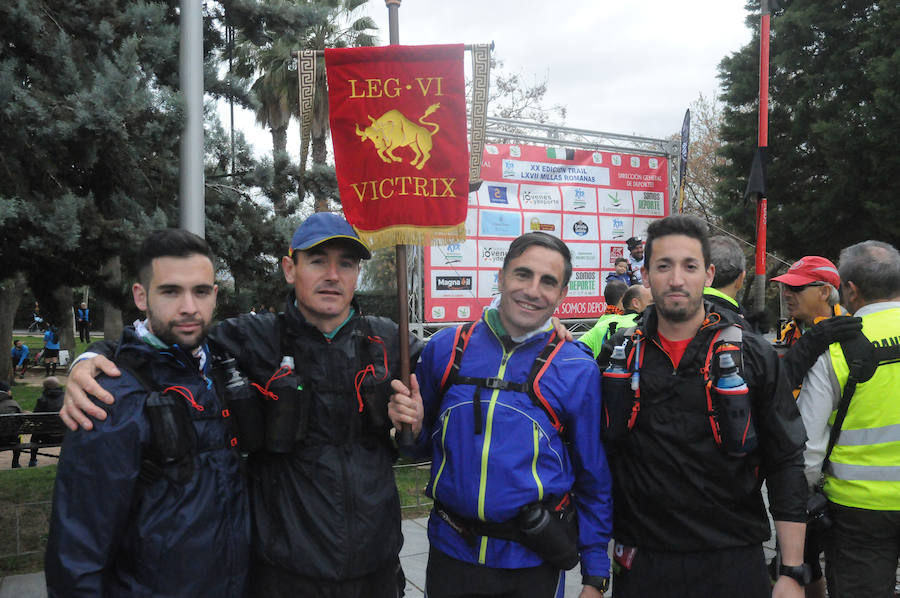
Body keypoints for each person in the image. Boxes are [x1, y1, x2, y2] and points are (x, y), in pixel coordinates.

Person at [62, 213, 421, 598]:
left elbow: (458, 366)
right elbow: (165, 341)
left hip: (377, 566)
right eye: (317, 261)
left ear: (356, 274)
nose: (332, 274)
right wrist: (87, 359)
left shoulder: (389, 341)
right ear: (289, 268)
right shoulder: (251, 337)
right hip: (284, 572)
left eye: (346, 263)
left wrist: (414, 422)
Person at [389, 231, 613, 598]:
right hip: (452, 552)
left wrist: (595, 575)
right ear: (501, 276)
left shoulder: (576, 368)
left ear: (562, 294)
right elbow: (419, 448)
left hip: (532, 559)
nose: (533, 290)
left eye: (548, 282)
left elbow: (593, 476)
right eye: (523, 274)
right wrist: (407, 430)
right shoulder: (447, 348)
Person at [599, 215, 809, 598]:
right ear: (645, 275)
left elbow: (786, 458)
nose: (676, 279)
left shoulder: (752, 354)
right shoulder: (619, 353)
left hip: (732, 558)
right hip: (643, 561)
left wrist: (791, 571)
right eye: (663, 266)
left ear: (708, 274)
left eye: (689, 266)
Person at [45, 229, 249, 597]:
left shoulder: (221, 366)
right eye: (170, 291)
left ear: (214, 296)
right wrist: (89, 359)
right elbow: (78, 554)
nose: (189, 306)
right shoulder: (108, 397)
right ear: (141, 296)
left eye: (201, 291)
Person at [796, 240, 900, 598]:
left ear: (851, 290)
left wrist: (804, 494)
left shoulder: (837, 347)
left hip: (858, 511)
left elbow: (807, 445)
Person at [772, 256, 862, 390]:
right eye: (786, 287)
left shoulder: (851, 330)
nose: (786, 294)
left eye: (795, 287)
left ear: (824, 292)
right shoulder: (787, 333)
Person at [579, 280, 630, 358]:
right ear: (623, 298)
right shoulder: (632, 321)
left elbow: (576, 346)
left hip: (600, 369)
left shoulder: (599, 324)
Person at [28, 376, 64, 467]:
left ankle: (32, 460)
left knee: (35, 435)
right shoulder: (66, 398)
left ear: (45, 387)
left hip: (46, 437)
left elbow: (35, 418)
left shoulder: (42, 400)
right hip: (64, 435)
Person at [0, 381, 24, 468]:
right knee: (18, 436)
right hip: (12, 440)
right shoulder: (14, 404)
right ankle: (15, 463)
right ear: (8, 392)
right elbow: (21, 421)